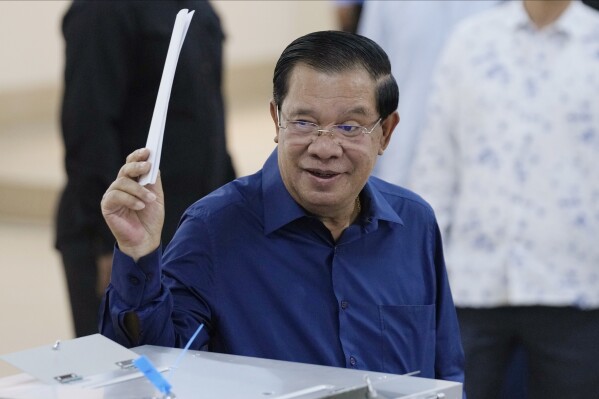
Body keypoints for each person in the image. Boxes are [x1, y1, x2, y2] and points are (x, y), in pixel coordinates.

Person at [99, 31, 465, 384]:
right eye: (304, 122)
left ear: (385, 132)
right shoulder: (213, 229)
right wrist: (139, 253)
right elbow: (155, 369)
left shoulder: (414, 223)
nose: (325, 147)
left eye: (350, 127)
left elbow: (446, 369)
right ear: (277, 120)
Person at [410, 1, 599, 397]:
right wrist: (419, 267)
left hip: (576, 286)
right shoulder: (471, 41)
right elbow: (437, 162)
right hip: (471, 282)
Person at [56, 1, 236, 338]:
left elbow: (210, 122)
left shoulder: (197, 8)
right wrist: (109, 242)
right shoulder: (102, 10)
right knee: (122, 366)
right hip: (125, 227)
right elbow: (88, 126)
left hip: (191, 226)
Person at [358, 0, 500, 187]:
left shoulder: (505, 6)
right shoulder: (385, 4)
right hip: (400, 162)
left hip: (479, 166)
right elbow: (365, 80)